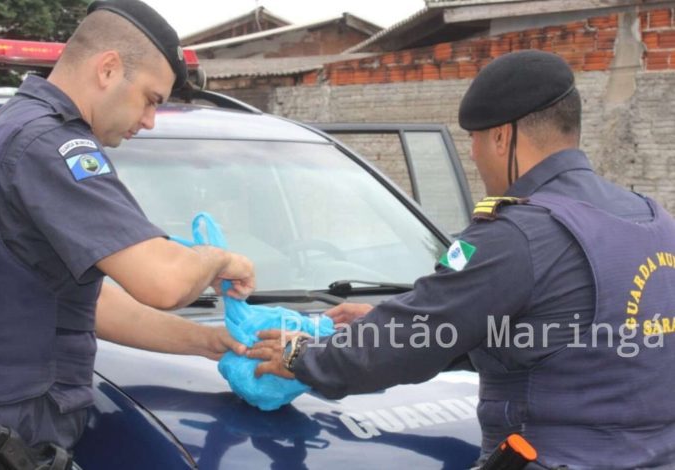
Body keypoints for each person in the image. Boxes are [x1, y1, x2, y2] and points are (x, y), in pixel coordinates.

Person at [248, 50, 675, 469]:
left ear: (502, 137)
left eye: (473, 139)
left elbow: (414, 335)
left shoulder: (516, 234)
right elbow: (569, 341)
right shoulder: (655, 222)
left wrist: (303, 357)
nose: (472, 154)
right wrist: (391, 320)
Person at [0, 1, 256, 468]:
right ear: (108, 68)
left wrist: (207, 342)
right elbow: (163, 281)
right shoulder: (51, 147)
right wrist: (222, 260)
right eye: (151, 99)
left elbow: (83, 302)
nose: (149, 121)